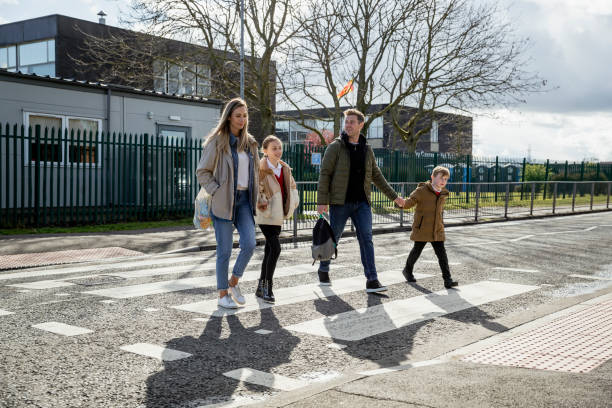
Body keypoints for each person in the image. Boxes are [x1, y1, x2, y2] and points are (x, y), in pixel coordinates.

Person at [317, 108, 405, 293]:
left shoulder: (367, 149)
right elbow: (325, 174)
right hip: (340, 203)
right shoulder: (336, 146)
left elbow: (377, 176)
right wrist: (321, 201)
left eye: (352, 122)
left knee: (367, 239)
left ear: (361, 125)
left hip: (362, 203)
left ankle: (372, 280)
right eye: (346, 122)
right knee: (334, 238)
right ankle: (324, 268)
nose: (348, 125)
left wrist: (394, 197)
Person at [196, 97, 260, 309]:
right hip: (223, 201)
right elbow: (202, 172)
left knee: (249, 244)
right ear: (229, 117)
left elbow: (256, 174)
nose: (242, 120)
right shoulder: (217, 141)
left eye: (245, 116)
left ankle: (233, 283)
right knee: (224, 251)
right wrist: (217, 190)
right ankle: (222, 294)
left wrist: (259, 196)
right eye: (238, 116)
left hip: (244, 202)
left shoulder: (250, 143)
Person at [254, 135, 300, 303]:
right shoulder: (260, 168)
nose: (278, 151)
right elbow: (255, 188)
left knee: (269, 250)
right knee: (276, 248)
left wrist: (294, 201)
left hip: (279, 215)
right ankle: (268, 287)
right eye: (274, 148)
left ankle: (260, 287)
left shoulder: (284, 168)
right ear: (265, 151)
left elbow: (292, 187)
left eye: (280, 147)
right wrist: (261, 199)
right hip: (265, 215)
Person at [401, 165, 459, 289]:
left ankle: (447, 279)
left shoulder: (443, 193)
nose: (443, 181)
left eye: (446, 179)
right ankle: (407, 270)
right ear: (432, 177)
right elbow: (409, 202)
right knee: (416, 250)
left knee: (442, 255)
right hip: (423, 228)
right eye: (441, 178)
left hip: (437, 229)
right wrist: (401, 203)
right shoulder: (421, 191)